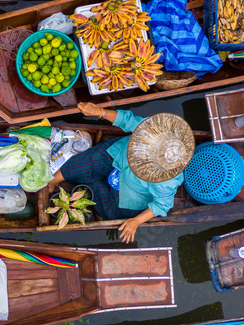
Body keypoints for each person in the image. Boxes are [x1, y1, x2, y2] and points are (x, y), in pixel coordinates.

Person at [47, 102, 194, 243]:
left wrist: (136, 221)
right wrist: (99, 112)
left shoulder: (167, 180)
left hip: (128, 194)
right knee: (92, 159)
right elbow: (128, 121)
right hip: (117, 155)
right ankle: (55, 179)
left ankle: (87, 182)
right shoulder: (156, 130)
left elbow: (162, 205)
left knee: (111, 212)